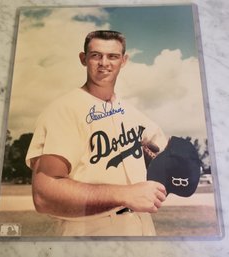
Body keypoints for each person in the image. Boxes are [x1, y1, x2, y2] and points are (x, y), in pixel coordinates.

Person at [26, 30, 167, 236]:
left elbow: (164, 150)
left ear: (124, 61)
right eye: (95, 55)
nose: (104, 63)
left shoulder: (131, 112)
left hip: (142, 229)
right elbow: (45, 195)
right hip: (88, 232)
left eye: (113, 56)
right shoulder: (64, 109)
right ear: (83, 59)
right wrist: (125, 194)